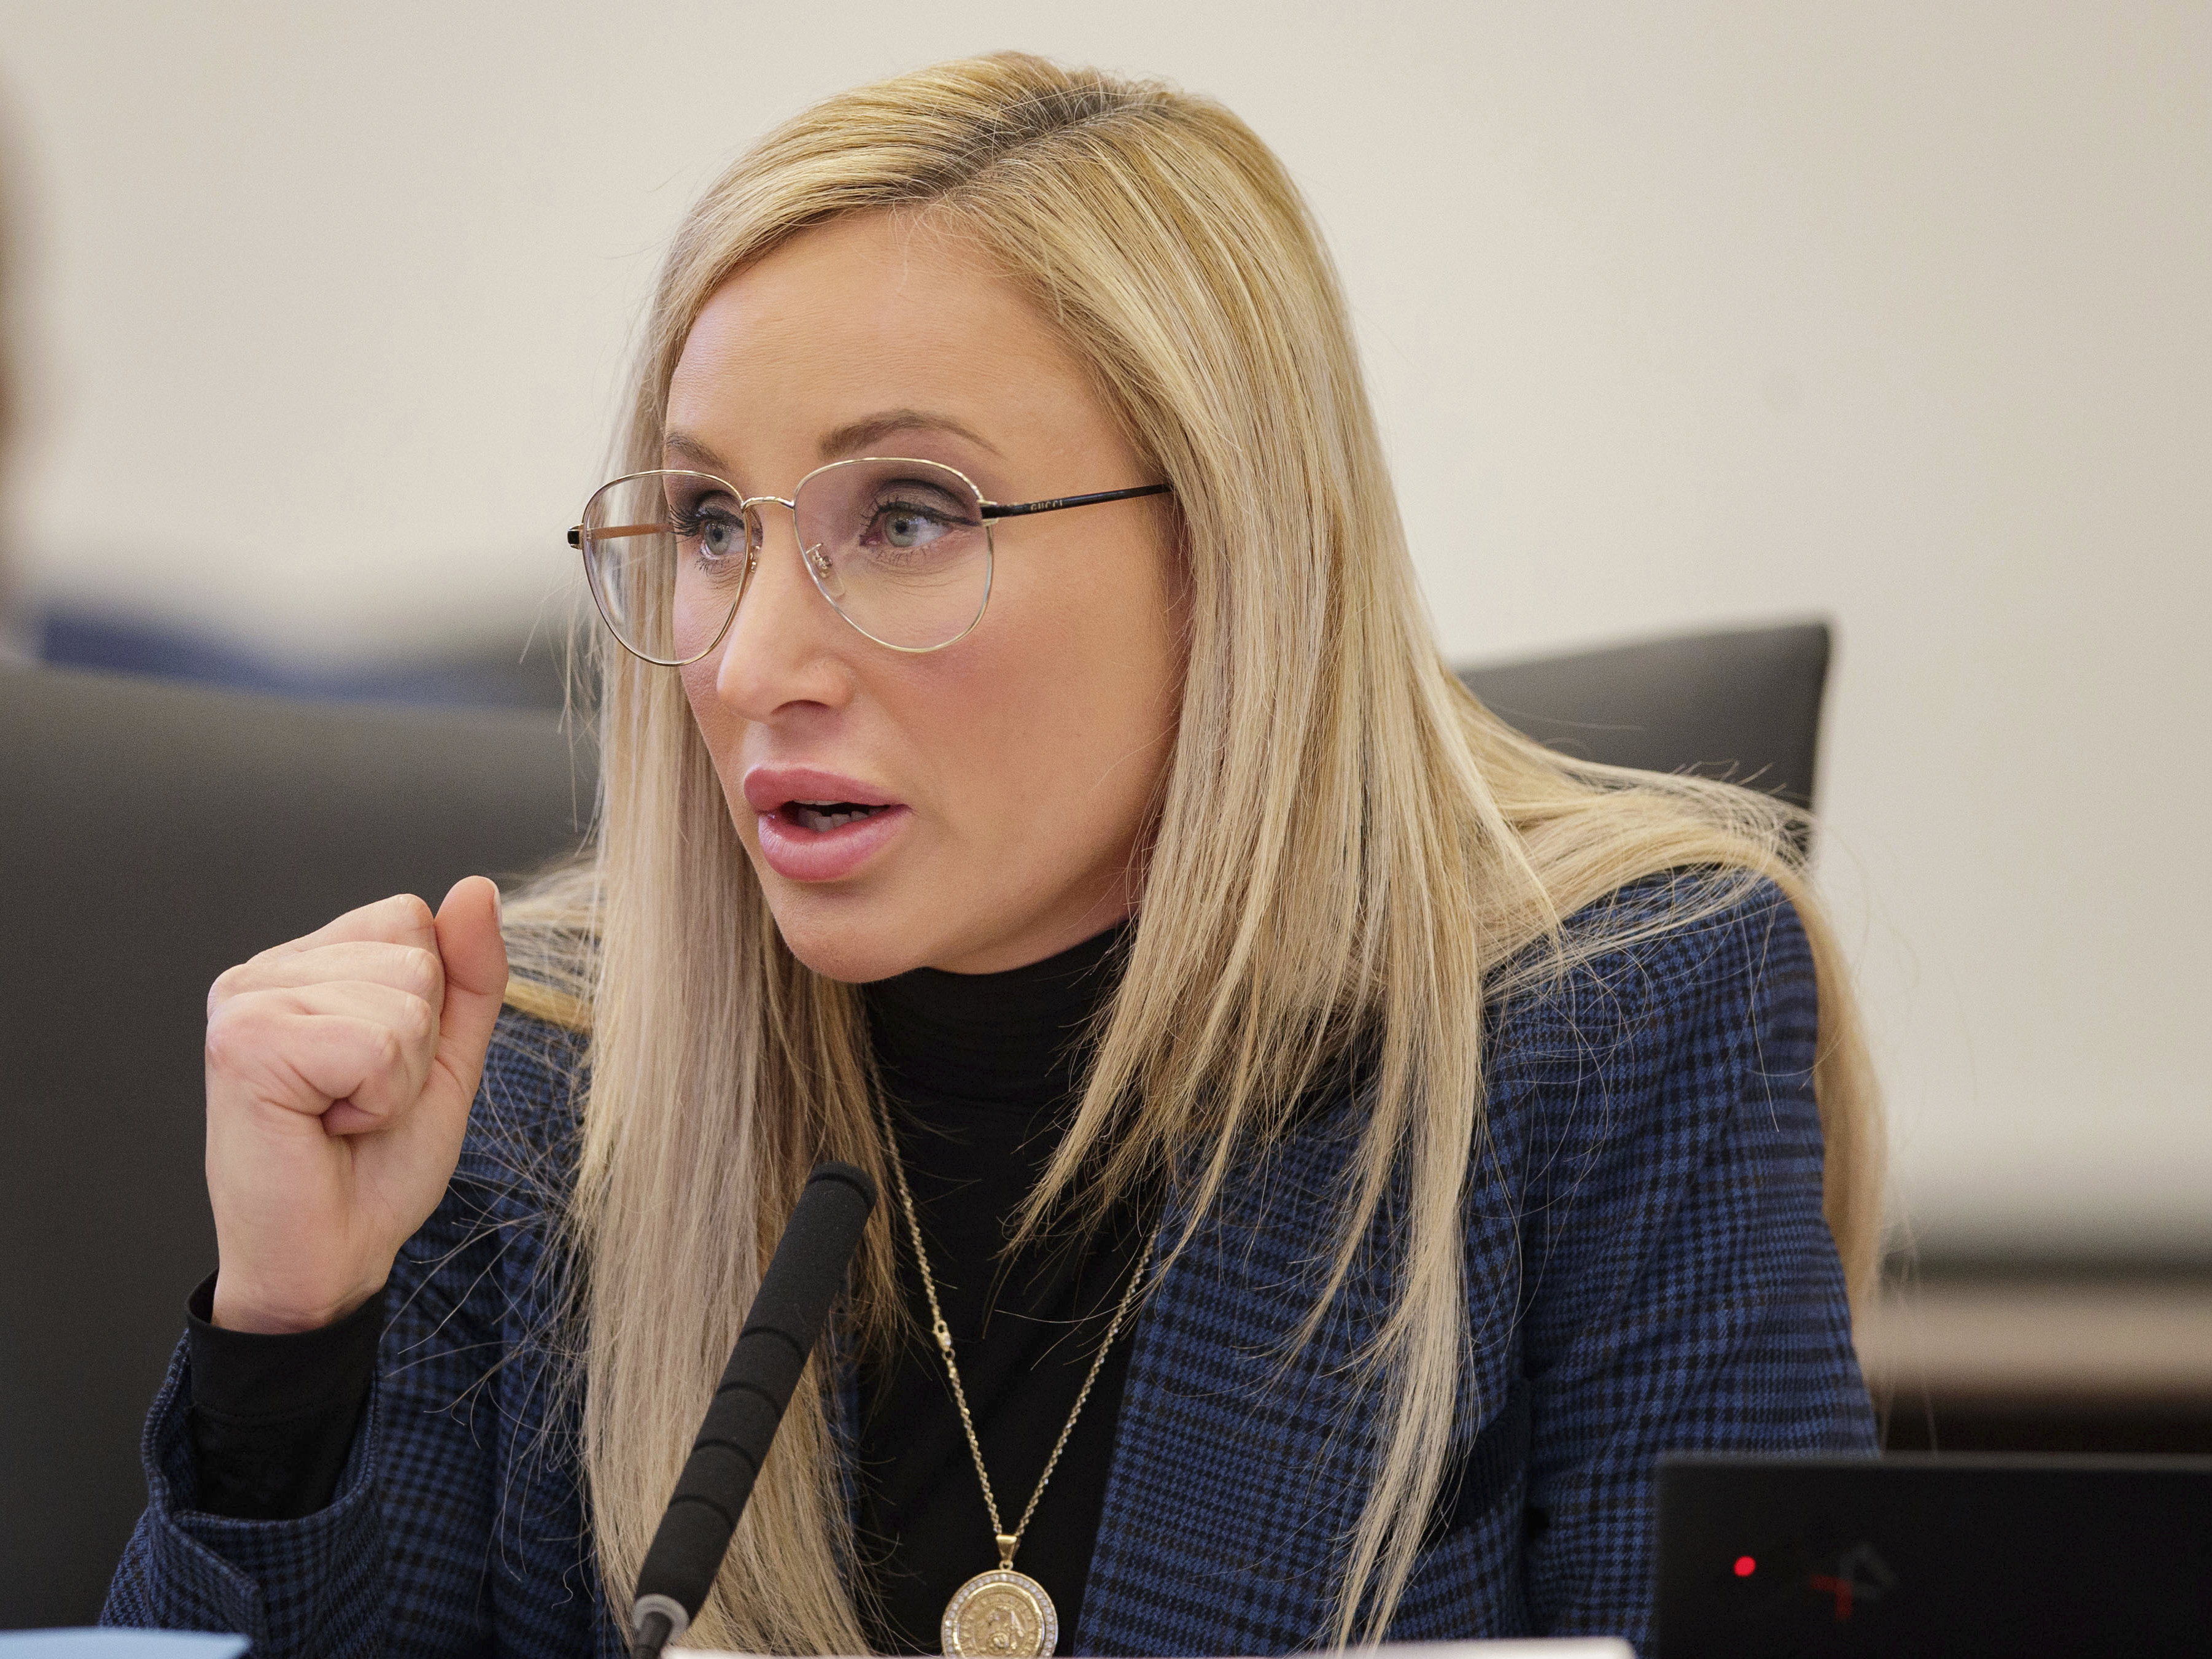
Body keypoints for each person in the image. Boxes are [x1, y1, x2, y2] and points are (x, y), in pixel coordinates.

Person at [102, 52, 1882, 1659]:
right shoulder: (539, 1084)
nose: (746, 662)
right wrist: (292, 1338)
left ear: (1229, 553)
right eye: (712, 523)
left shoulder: (1615, 1023)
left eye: (907, 516)